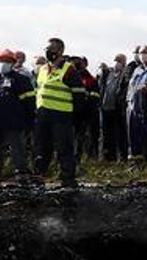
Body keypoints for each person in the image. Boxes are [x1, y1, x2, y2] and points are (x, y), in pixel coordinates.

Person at [33, 38, 87, 188]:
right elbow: (39, 90)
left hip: (61, 115)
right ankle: (39, 175)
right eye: (47, 48)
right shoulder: (43, 69)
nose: (48, 51)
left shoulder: (69, 69)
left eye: (52, 49)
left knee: (64, 147)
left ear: (61, 51)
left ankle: (68, 178)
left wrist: (75, 116)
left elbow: (79, 94)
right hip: (43, 114)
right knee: (41, 147)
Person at [0, 50, 35, 181]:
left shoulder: (21, 79)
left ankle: (21, 174)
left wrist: (29, 120)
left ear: (13, 63)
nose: (3, 64)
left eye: (6, 61)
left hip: (15, 122)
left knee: (18, 150)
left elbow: (29, 102)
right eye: (1, 61)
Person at [99, 54, 130, 161]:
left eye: (119, 61)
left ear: (124, 62)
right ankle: (108, 158)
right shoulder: (109, 74)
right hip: (106, 108)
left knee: (121, 135)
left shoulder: (125, 75)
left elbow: (124, 90)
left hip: (118, 109)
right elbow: (102, 87)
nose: (116, 62)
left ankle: (123, 157)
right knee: (107, 135)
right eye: (115, 60)